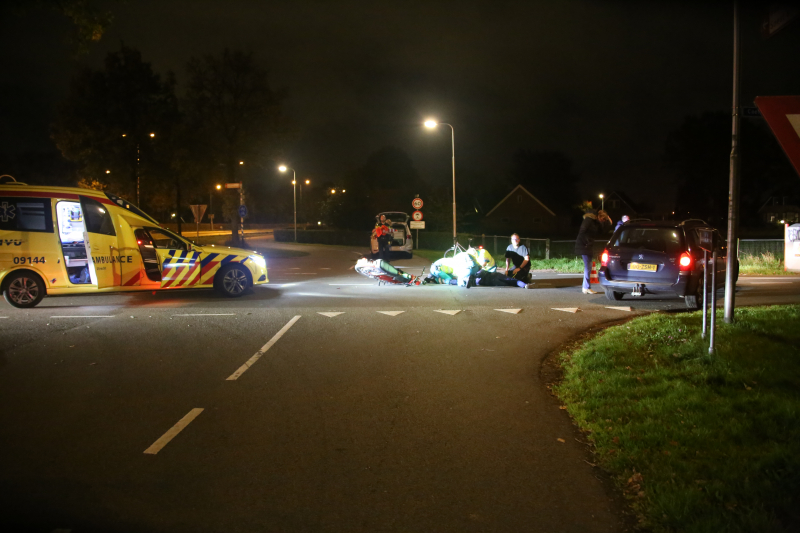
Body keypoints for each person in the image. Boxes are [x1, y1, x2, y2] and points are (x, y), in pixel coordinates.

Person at [575, 208, 612, 294]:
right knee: (588, 266)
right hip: (584, 245)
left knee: (588, 266)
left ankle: (586, 287)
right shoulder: (588, 220)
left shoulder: (595, 223)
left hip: (588, 245)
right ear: (599, 216)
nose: (603, 221)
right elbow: (582, 231)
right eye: (603, 219)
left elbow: (602, 231)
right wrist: (587, 242)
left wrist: (609, 222)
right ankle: (586, 287)